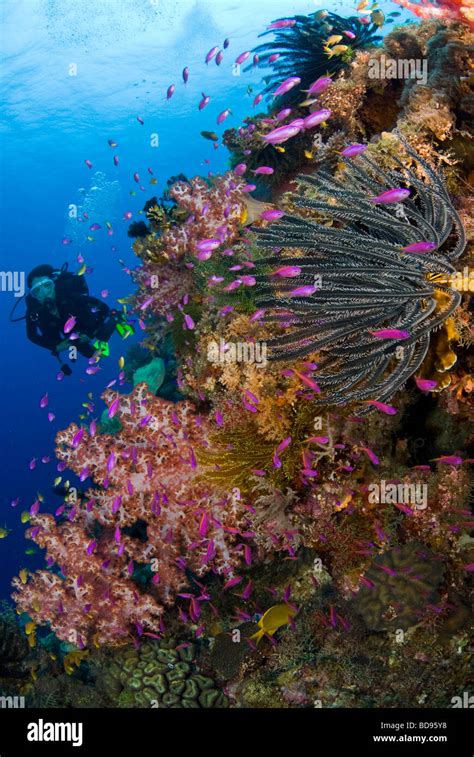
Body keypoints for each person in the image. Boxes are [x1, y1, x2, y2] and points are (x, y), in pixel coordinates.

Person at [24, 264, 133, 374]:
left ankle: (116, 317)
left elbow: (103, 307)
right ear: (33, 295)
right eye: (37, 291)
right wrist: (55, 346)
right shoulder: (34, 310)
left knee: (102, 335)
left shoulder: (69, 294)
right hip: (69, 333)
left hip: (87, 322)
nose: (44, 293)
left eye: (47, 285)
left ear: (54, 284)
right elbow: (31, 335)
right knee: (89, 354)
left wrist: (89, 333)